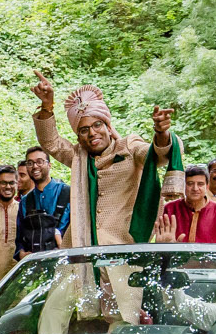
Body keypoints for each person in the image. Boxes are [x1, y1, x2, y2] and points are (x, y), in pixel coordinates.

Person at [31, 73, 179, 247]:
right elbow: (51, 142)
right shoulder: (78, 157)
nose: (92, 133)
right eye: (84, 130)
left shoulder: (129, 147)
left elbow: (158, 155)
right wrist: (47, 106)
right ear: (79, 138)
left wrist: (161, 133)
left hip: (123, 250)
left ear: (108, 127)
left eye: (97, 125)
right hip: (81, 249)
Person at [155, 165, 216, 244]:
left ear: (207, 187)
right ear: (183, 185)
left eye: (200, 184)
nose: (195, 188)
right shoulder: (170, 209)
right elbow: (161, 241)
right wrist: (166, 247)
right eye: (190, 183)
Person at [15, 145, 71, 257]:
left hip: (65, 259)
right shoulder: (26, 201)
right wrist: (21, 253)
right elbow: (20, 236)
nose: (35, 166)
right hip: (36, 263)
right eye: (30, 163)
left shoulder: (68, 193)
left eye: (39, 162)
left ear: (49, 165)